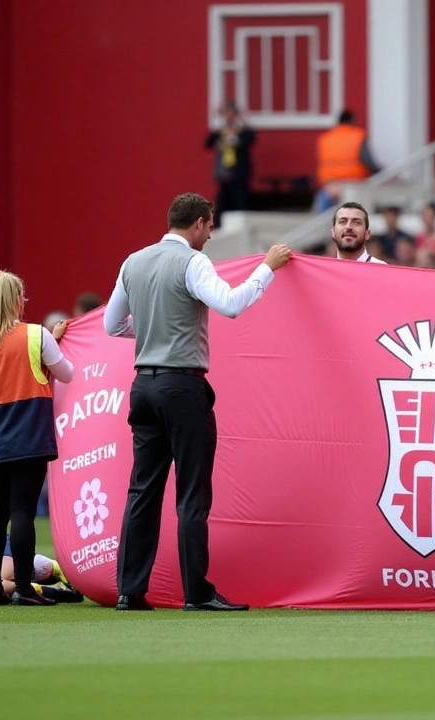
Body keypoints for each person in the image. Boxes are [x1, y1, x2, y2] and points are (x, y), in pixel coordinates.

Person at [103, 192, 293, 611]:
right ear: (201, 222)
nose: (210, 235)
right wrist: (267, 268)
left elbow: (111, 324)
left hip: (144, 386)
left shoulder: (132, 261)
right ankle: (196, 592)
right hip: (182, 385)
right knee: (192, 493)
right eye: (209, 227)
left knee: (142, 492)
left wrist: (155, 328)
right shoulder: (193, 261)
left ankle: (129, 590)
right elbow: (230, 305)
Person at [0, 271, 73, 606]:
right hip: (29, 432)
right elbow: (66, 373)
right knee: (23, 510)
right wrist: (53, 341)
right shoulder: (36, 335)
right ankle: (24, 588)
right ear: (17, 299)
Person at [315, 110, 380, 211]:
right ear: (352, 120)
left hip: (330, 184)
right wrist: (380, 172)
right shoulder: (358, 136)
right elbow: (368, 162)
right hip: (353, 184)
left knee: (326, 210)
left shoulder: (325, 138)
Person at [204, 102, 255, 224]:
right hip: (224, 176)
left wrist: (237, 133)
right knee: (221, 206)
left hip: (239, 176)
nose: (228, 117)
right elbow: (208, 143)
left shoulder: (242, 130)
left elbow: (251, 139)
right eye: (225, 113)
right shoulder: (221, 131)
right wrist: (219, 129)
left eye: (230, 113)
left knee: (241, 205)